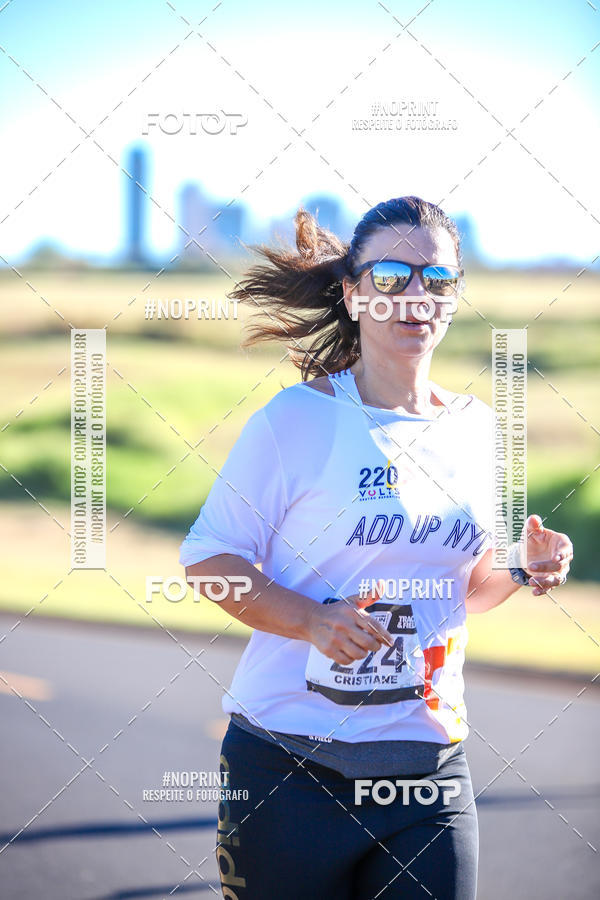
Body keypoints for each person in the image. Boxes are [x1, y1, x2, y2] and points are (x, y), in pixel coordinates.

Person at [180, 196, 573, 899]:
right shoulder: (300, 418)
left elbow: (469, 589)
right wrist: (311, 619)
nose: (415, 296)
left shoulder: (480, 430)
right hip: (288, 770)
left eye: (438, 279)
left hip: (429, 769)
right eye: (392, 277)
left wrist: (522, 566)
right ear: (354, 293)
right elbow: (210, 561)